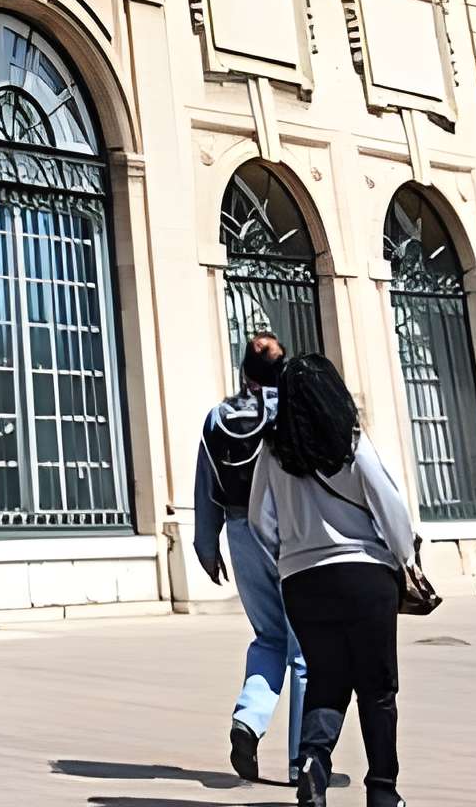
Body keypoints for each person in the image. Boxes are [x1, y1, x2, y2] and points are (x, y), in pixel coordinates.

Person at [250, 354, 417, 807]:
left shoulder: (272, 450)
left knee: (325, 678)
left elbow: (258, 519)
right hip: (364, 576)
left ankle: (312, 766)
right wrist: (405, 559)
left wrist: (287, 559)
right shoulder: (353, 443)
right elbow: (390, 506)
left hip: (302, 583)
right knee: (377, 689)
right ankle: (383, 791)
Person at [194, 333, 306, 785]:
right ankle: (304, 760)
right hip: (290, 533)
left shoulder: (218, 419)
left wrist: (207, 547)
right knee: (304, 649)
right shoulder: (292, 414)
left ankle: (250, 718)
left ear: (243, 372)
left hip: (240, 532)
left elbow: (205, 485)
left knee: (268, 637)